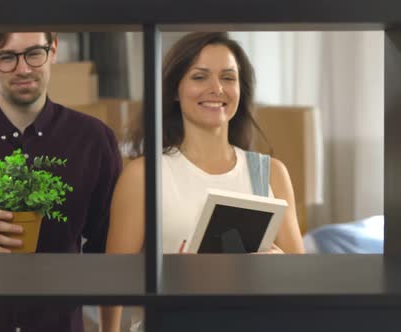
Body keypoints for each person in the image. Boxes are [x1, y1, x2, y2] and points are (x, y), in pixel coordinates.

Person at [100, 32, 305, 331]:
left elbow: (302, 277)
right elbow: (115, 279)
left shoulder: (270, 172)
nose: (216, 89)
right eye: (199, 77)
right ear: (174, 90)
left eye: (228, 77)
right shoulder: (143, 176)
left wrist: (278, 266)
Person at [0, 32, 122, 332]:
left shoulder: (93, 139)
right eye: (7, 57)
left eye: (34, 53)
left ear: (54, 50)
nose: (23, 69)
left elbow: (108, 251)